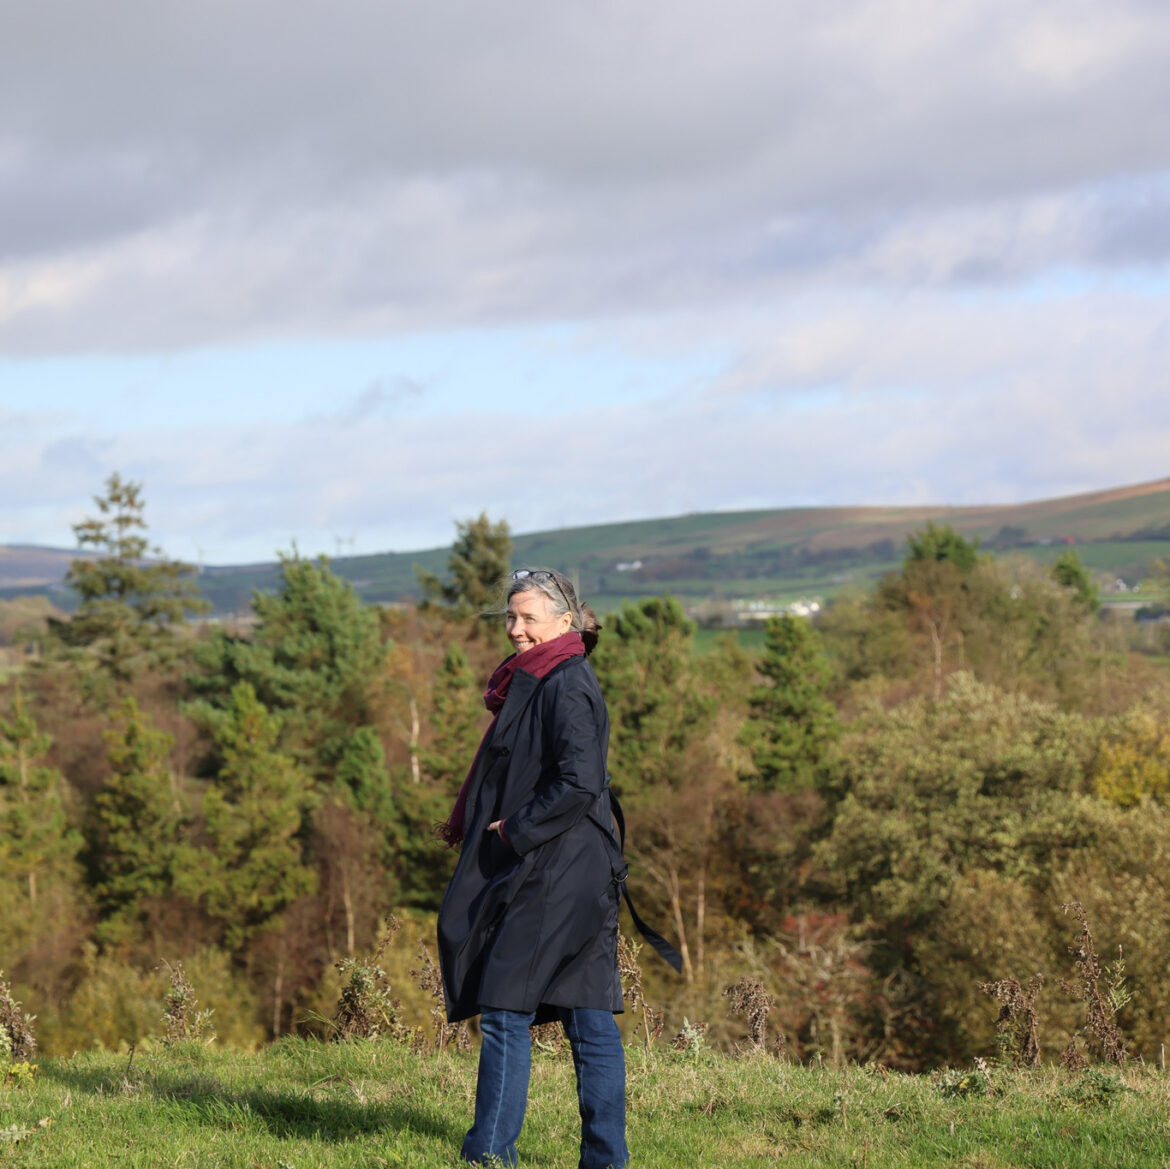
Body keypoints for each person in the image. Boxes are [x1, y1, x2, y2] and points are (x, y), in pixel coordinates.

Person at [436, 567, 628, 1168]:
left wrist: (513, 831)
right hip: (578, 868)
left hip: (555, 870)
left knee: (504, 1011)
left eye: (528, 619)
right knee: (588, 1014)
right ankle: (606, 1159)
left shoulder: (566, 683)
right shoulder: (550, 675)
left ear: (564, 622)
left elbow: (578, 782)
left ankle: (489, 1155)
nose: (515, 630)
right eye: (511, 618)